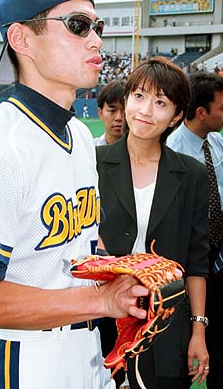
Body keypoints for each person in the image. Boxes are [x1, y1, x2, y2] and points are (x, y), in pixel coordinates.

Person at [0, 0, 149, 389]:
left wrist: (120, 269)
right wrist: (100, 298)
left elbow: (76, 247)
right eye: (79, 26)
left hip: (87, 348)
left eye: (96, 27)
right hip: (25, 358)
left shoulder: (79, 135)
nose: (97, 40)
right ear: (22, 39)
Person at [96, 56, 210, 389]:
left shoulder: (192, 174)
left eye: (160, 102)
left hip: (168, 323)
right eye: (139, 96)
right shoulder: (93, 163)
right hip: (101, 319)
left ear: (176, 115)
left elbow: (196, 261)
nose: (145, 110)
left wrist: (199, 330)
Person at [167, 72, 223, 389]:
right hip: (189, 264)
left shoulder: (216, 143)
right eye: (222, 107)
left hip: (219, 260)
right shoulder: (173, 152)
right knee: (184, 347)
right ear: (201, 112)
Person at [94, 81, 125, 146]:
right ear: (100, 113)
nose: (118, 117)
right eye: (112, 111)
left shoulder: (146, 152)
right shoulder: (90, 150)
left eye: (125, 111)